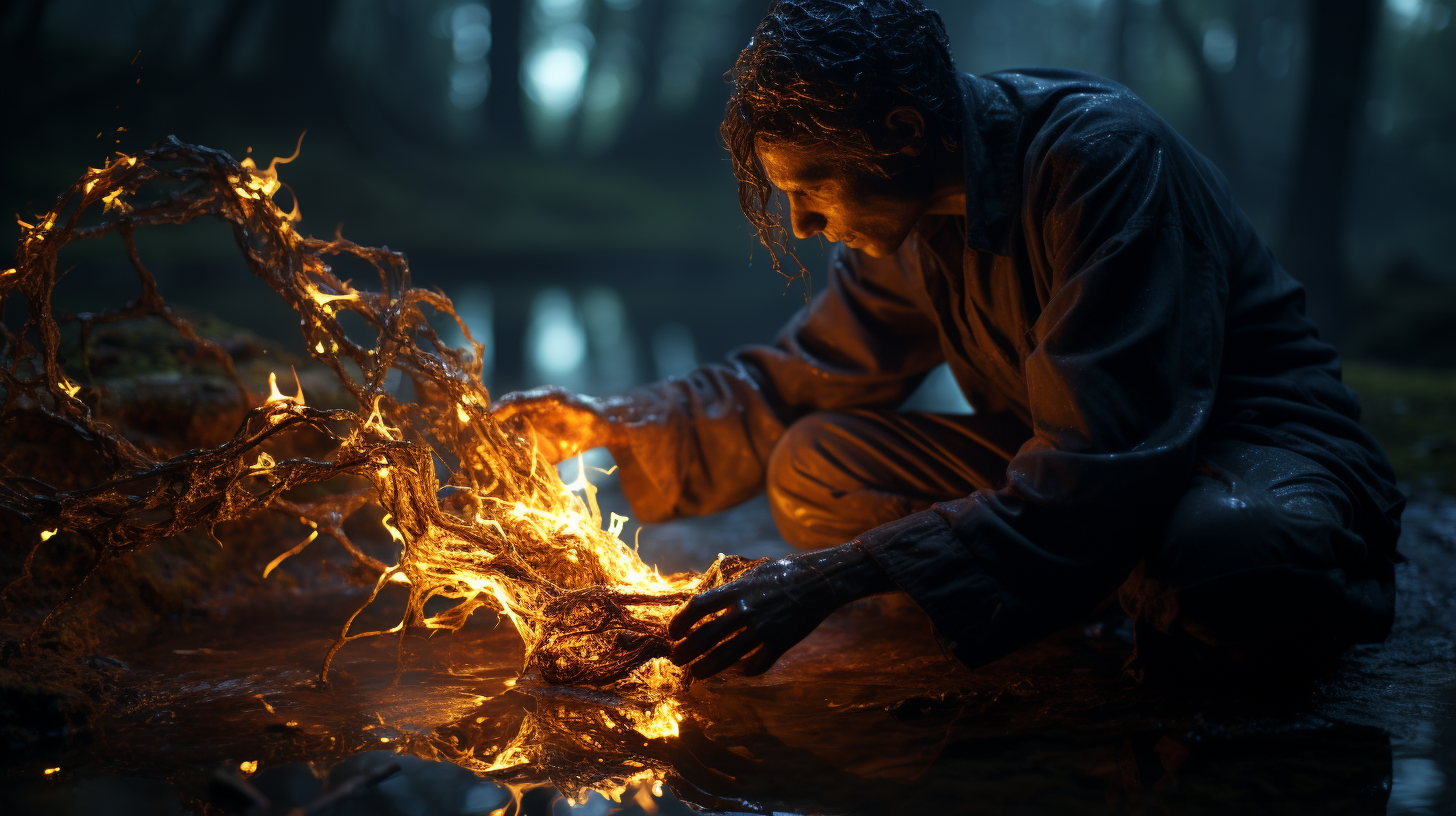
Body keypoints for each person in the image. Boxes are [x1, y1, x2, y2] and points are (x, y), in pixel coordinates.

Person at [493, 0, 1403, 683]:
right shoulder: (918, 215)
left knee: (1226, 553)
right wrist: (609, 422)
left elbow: (1107, 454)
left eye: (813, 189)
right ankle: (1100, 579)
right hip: (1089, 472)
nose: (804, 224)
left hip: (1240, 457)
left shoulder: (1100, 162)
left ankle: (1148, 580)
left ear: (901, 131)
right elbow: (794, 383)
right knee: (815, 463)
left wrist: (821, 581)